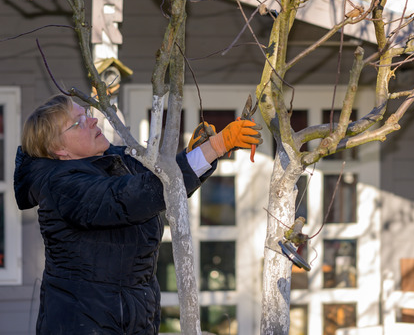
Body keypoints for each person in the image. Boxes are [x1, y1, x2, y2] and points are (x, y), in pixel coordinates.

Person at [13, 94, 261, 334]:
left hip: (131, 315)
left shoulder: (113, 160)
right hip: (85, 321)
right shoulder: (61, 187)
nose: (93, 120)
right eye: (78, 123)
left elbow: (161, 179)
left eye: (86, 113)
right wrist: (217, 146)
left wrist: (200, 151)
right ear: (60, 150)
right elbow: (131, 196)